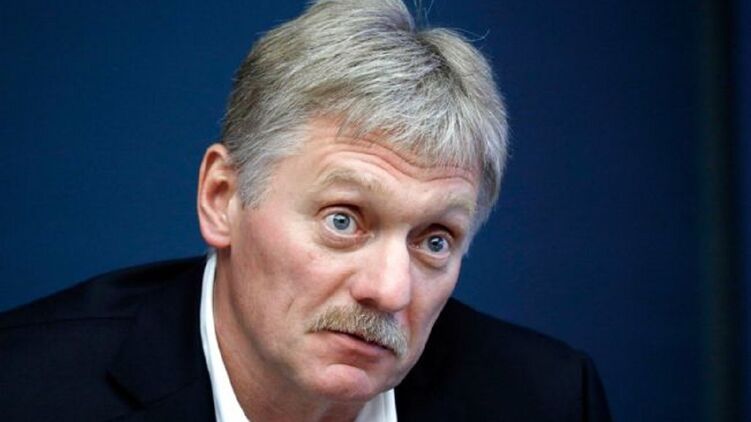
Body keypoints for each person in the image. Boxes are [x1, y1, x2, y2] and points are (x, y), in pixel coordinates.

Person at [0, 1, 611, 420]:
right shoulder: (24, 390)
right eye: (343, 220)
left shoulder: (546, 401)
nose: (389, 291)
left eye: (434, 240)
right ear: (222, 199)